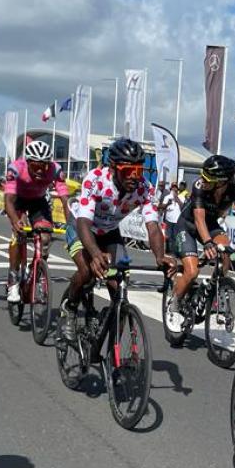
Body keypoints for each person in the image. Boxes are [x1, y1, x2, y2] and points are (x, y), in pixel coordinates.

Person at [59, 138, 176, 340]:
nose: (134, 177)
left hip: (109, 232)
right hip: (81, 227)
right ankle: (69, 307)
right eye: (128, 171)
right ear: (113, 168)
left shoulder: (144, 189)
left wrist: (160, 256)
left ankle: (113, 353)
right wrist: (95, 254)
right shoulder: (95, 180)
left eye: (138, 171)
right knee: (87, 271)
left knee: (118, 286)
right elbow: (84, 222)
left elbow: (153, 227)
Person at [165, 155, 235, 333]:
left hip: (211, 225)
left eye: (208, 179)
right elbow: (199, 219)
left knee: (225, 251)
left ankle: (218, 291)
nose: (202, 180)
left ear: (222, 182)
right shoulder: (199, 186)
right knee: (192, 272)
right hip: (188, 225)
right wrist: (207, 243)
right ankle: (174, 302)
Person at [3, 140, 69, 303]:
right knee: (19, 236)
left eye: (44, 166)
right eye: (35, 166)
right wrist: (15, 221)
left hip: (38, 202)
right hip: (18, 200)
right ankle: (13, 279)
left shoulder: (55, 170)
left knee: (45, 238)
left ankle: (37, 274)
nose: (40, 170)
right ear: (28, 162)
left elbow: (65, 200)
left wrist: (71, 223)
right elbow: (8, 202)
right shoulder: (16, 168)